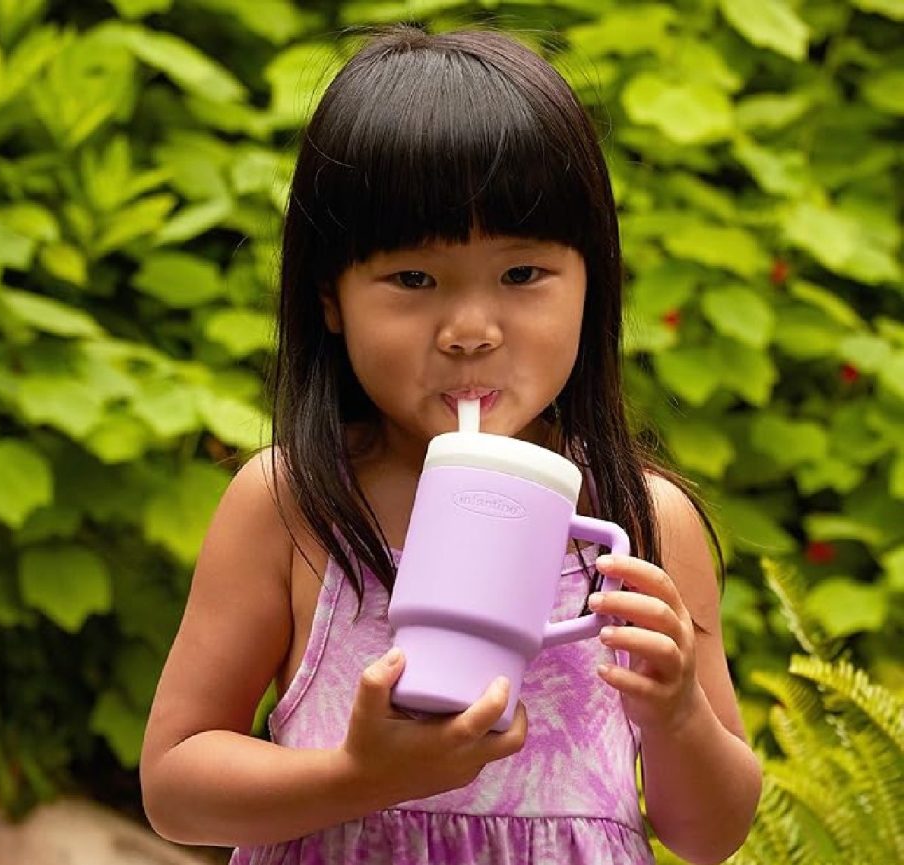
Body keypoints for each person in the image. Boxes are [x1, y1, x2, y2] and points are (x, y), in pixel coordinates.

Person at [140, 25, 762, 865]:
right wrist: (360, 776)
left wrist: (679, 712)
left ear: (592, 282)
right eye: (413, 279)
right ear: (331, 297)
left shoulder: (642, 523)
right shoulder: (294, 503)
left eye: (521, 274)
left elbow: (710, 834)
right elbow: (176, 785)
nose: (470, 330)